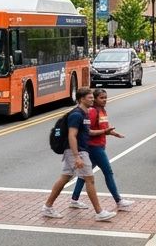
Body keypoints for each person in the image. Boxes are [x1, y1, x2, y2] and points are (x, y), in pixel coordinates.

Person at [41, 88, 116, 221]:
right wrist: (76, 156)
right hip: (77, 151)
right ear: (81, 99)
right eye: (90, 98)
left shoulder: (85, 113)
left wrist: (105, 131)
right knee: (90, 179)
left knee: (65, 178)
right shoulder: (76, 115)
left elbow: (88, 133)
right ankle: (99, 212)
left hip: (78, 150)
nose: (92, 99)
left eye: (93, 97)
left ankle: (48, 207)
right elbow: (72, 135)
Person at [68, 89, 133, 212]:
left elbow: (104, 128)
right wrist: (105, 132)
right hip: (94, 147)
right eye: (101, 98)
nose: (104, 100)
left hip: (100, 145)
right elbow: (87, 131)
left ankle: (74, 199)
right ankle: (118, 201)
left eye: (105, 98)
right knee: (108, 172)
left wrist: (113, 133)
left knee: (84, 175)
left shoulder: (102, 111)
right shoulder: (92, 112)